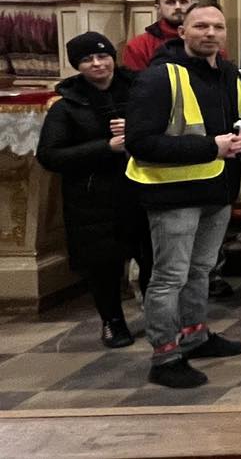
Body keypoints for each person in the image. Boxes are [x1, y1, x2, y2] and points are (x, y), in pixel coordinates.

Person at [125, 2, 241, 388]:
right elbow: (139, 142)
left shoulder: (231, 75)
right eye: (200, 26)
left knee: (201, 270)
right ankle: (165, 355)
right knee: (169, 277)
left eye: (217, 27)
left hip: (217, 190)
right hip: (174, 195)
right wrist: (211, 147)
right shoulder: (159, 77)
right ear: (182, 32)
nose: (210, 33)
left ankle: (195, 335)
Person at [38, 33, 151, 348]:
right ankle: (112, 321)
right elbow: (50, 155)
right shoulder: (66, 105)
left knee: (151, 258)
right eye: (88, 59)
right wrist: (106, 147)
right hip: (93, 197)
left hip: (141, 188)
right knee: (104, 265)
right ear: (78, 66)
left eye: (103, 56)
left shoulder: (139, 89)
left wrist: (135, 130)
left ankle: (158, 317)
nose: (98, 64)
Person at [122, 0, 192, 71]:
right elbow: (136, 79)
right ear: (158, 8)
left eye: (183, 2)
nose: (178, 7)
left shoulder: (206, 38)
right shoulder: (139, 46)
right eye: (170, 2)